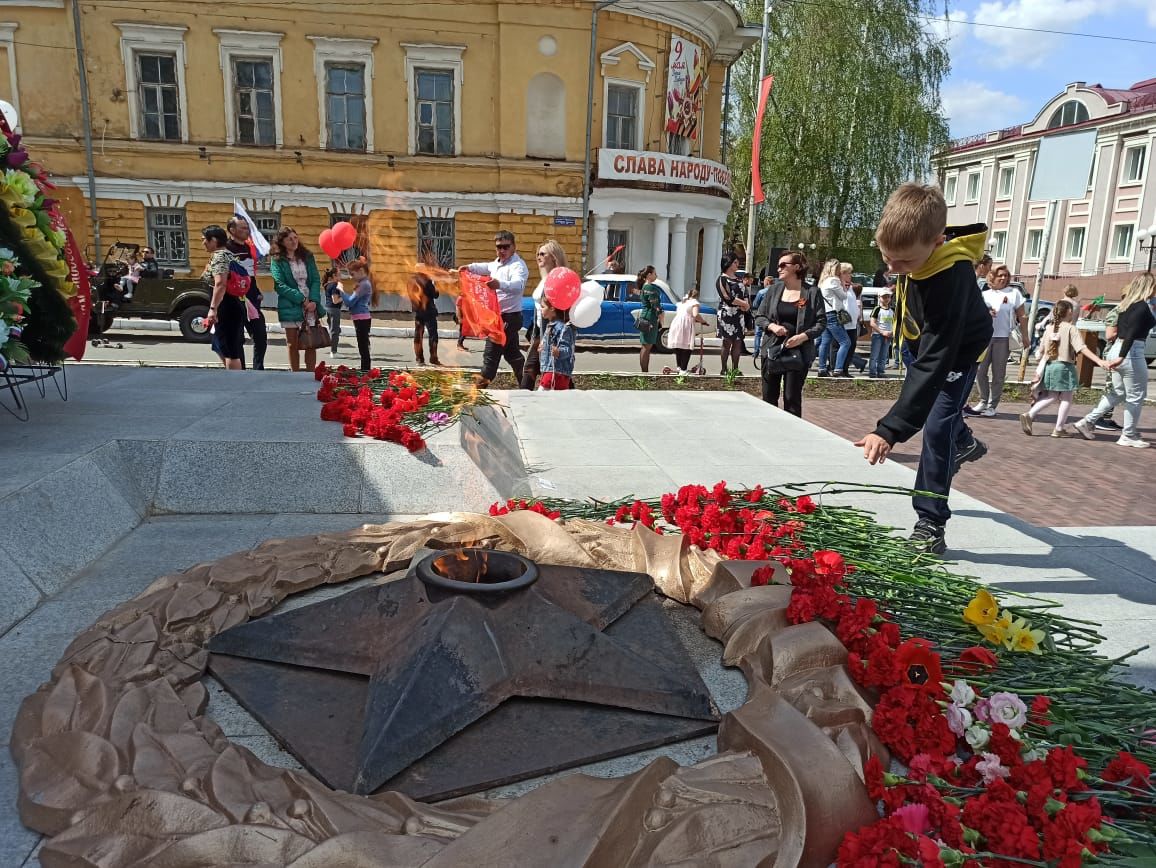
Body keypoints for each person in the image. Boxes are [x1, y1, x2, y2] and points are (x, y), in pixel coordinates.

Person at [854, 183, 994, 556]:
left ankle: (930, 524)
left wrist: (889, 430)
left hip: (957, 354)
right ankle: (962, 441)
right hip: (926, 346)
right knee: (942, 424)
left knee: (936, 428)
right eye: (887, 259)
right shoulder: (912, 257)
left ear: (936, 241)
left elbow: (937, 360)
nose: (894, 270)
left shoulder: (952, 276)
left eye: (904, 263)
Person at [1073, 273, 1156, 447]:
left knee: (1118, 392)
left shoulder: (1127, 306)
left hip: (1119, 348)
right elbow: (1132, 333)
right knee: (1136, 396)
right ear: (1149, 287)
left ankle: (1088, 421)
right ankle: (1128, 435)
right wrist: (1122, 356)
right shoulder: (1141, 307)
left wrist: (1119, 355)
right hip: (1131, 351)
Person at [1020, 299, 1115, 438]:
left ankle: (1033, 415)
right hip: (1064, 367)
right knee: (1066, 398)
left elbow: (1040, 350)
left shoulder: (1049, 328)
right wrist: (1099, 361)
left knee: (1052, 396)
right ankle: (1055, 426)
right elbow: (1082, 348)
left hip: (1050, 366)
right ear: (1069, 312)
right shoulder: (1071, 328)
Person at [754, 251, 827, 417]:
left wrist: (802, 337)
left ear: (797, 267)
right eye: (778, 265)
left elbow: (821, 323)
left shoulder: (812, 293)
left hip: (798, 353)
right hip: (772, 350)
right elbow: (759, 316)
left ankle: (792, 436)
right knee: (769, 397)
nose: (778, 269)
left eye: (783, 265)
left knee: (791, 398)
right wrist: (772, 326)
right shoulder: (773, 290)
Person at [466, 230, 529, 386]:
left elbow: (518, 285)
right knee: (511, 353)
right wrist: (469, 267)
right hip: (498, 316)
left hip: (509, 317)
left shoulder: (517, 266)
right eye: (498, 247)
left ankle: (480, 387)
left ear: (513, 246)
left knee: (491, 352)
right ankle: (527, 382)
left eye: (505, 247)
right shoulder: (497, 264)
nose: (501, 251)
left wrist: (499, 284)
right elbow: (486, 267)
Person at [967, 265, 1027, 417]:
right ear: (992, 276)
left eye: (1006, 275)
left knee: (998, 374)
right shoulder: (984, 294)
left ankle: (992, 405)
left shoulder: (1014, 293)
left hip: (1003, 338)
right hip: (984, 338)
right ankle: (983, 400)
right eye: (1000, 275)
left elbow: (1022, 316)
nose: (1004, 278)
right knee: (980, 371)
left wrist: (1026, 336)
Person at [269, 227, 324, 373]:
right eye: (289, 239)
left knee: (310, 342)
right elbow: (279, 285)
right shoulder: (277, 260)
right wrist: (302, 300)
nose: (294, 241)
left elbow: (316, 280)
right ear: (282, 242)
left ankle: (310, 373)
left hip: (310, 304)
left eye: (295, 237)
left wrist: (313, 300)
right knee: (292, 343)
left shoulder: (307, 256)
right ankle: (295, 374)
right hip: (290, 303)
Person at [524, 241, 568, 390]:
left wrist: (553, 337)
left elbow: (560, 310)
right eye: (538, 254)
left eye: (543, 254)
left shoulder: (557, 280)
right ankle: (524, 397)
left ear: (554, 257)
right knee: (536, 367)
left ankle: (523, 398)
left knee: (543, 367)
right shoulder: (544, 278)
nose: (538, 256)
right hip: (539, 331)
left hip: (550, 331)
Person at [199, 225, 244, 371]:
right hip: (232, 305)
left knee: (231, 352)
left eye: (204, 240)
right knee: (224, 347)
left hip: (226, 307)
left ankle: (235, 387)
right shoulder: (229, 255)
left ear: (213, 240)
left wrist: (213, 309)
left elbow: (220, 284)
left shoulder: (220, 256)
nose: (203, 243)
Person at [226, 217, 267, 370]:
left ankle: (258, 369)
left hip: (251, 299)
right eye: (243, 228)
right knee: (237, 339)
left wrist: (257, 291)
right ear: (232, 230)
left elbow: (250, 274)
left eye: (247, 228)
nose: (247, 231)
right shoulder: (226, 249)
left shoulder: (250, 248)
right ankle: (240, 370)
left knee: (260, 336)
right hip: (233, 298)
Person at [815, 259, 853, 377]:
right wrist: (842, 283)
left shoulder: (823, 281)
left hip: (825, 314)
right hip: (833, 314)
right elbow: (843, 296)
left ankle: (821, 368)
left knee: (825, 342)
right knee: (845, 342)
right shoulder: (834, 280)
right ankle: (838, 368)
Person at [715, 254, 749, 375]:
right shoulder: (722, 279)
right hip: (727, 314)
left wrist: (746, 304)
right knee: (727, 342)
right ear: (728, 263)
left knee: (738, 342)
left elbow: (745, 293)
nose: (737, 264)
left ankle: (735, 368)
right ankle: (724, 369)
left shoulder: (739, 279)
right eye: (735, 262)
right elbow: (727, 297)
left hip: (739, 315)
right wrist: (743, 304)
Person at [341, 257, 374, 371]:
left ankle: (365, 371)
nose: (351, 277)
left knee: (363, 347)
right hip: (360, 317)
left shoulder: (364, 284)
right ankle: (365, 370)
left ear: (360, 271)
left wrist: (341, 290)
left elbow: (350, 302)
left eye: (352, 274)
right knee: (363, 346)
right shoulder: (363, 283)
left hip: (362, 318)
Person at [538, 297, 576, 390]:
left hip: (557, 372)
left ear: (552, 308)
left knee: (541, 397)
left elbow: (568, 349)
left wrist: (559, 352)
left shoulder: (563, 328)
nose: (540, 309)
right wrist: (543, 348)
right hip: (549, 369)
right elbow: (550, 345)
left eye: (543, 307)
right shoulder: (550, 325)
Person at [668, 287, 707, 374]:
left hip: (676, 323)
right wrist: (703, 321)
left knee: (679, 346)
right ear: (697, 296)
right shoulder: (694, 303)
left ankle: (679, 367)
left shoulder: (683, 302)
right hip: (686, 325)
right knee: (686, 347)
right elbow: (695, 314)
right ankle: (683, 369)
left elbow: (685, 314)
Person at [839, 264, 868, 376]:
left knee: (851, 347)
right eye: (848, 273)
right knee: (842, 346)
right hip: (843, 323)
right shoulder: (839, 287)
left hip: (852, 324)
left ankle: (845, 369)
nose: (850, 275)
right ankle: (838, 368)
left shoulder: (850, 287)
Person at [408, 272, 440, 366]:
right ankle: (433, 358)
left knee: (418, 335)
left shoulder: (412, 281)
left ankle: (419, 359)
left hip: (419, 312)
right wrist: (436, 286)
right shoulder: (427, 282)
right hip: (429, 312)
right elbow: (435, 295)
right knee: (433, 335)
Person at [637, 265, 664, 372]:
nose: (656, 275)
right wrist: (661, 316)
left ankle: (644, 371)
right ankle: (645, 372)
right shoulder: (650, 288)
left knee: (645, 346)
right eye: (654, 273)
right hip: (650, 318)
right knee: (647, 347)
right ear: (649, 275)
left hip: (645, 316)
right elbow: (655, 305)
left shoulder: (644, 286)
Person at [868, 289, 895, 378]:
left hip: (888, 335)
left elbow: (894, 323)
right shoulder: (877, 309)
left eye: (888, 297)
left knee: (884, 355)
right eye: (884, 297)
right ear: (879, 298)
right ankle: (872, 372)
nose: (886, 299)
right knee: (874, 354)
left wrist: (892, 332)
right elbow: (872, 323)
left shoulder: (892, 310)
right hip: (878, 335)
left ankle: (881, 371)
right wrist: (882, 332)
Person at [322, 267, 343, 359]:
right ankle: (333, 352)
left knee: (333, 329)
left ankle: (333, 350)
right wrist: (345, 297)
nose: (341, 275)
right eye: (339, 274)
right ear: (334, 275)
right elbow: (335, 300)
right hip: (334, 309)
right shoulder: (334, 285)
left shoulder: (328, 284)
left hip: (329, 308)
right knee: (335, 330)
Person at [751, 275, 773, 360]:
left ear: (767, 282)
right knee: (769, 334)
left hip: (761, 315)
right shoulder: (776, 291)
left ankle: (756, 351)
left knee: (758, 334)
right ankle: (767, 351)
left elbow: (755, 304)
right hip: (772, 316)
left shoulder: (761, 292)